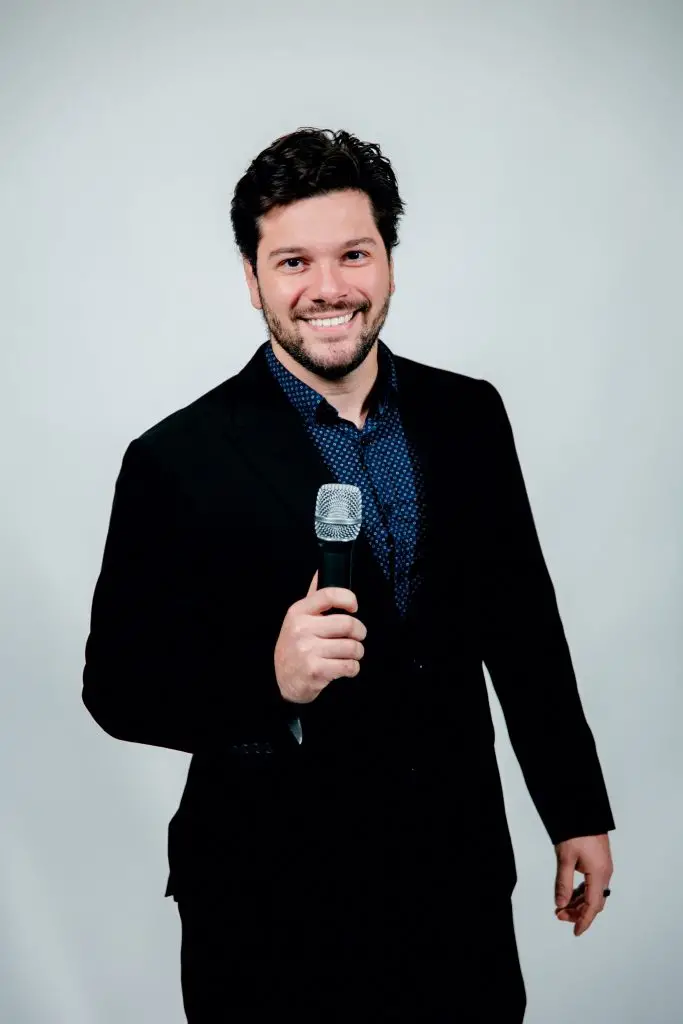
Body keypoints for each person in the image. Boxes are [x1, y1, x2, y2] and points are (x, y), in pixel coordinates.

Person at [82, 127, 615, 1022]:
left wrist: (574, 810)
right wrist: (269, 679)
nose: (328, 288)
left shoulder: (468, 416)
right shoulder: (174, 459)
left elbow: (523, 627)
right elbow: (116, 689)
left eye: (353, 254)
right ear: (252, 278)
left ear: (388, 262)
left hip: (453, 882)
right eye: (292, 261)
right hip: (266, 902)